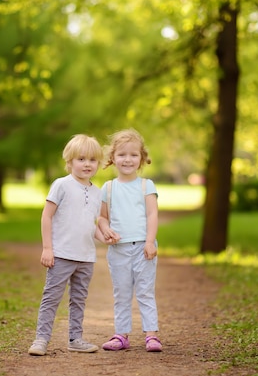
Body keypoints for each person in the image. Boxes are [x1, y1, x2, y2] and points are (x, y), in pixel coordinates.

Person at [28, 134, 109, 356]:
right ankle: (41, 339)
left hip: (86, 257)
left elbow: (89, 224)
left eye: (92, 160)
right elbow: (47, 216)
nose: (87, 164)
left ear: (98, 164)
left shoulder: (96, 192)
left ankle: (75, 338)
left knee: (79, 300)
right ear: (70, 161)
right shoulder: (61, 185)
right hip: (61, 254)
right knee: (51, 297)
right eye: (81, 159)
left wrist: (105, 238)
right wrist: (47, 248)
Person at [97, 128, 162, 353]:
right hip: (118, 250)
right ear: (113, 158)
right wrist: (106, 230)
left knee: (145, 291)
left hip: (143, 247)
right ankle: (121, 335)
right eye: (122, 154)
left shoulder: (146, 186)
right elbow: (102, 217)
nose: (128, 159)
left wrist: (150, 241)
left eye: (134, 155)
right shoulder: (108, 188)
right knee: (121, 292)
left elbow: (152, 215)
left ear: (142, 158)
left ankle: (151, 335)